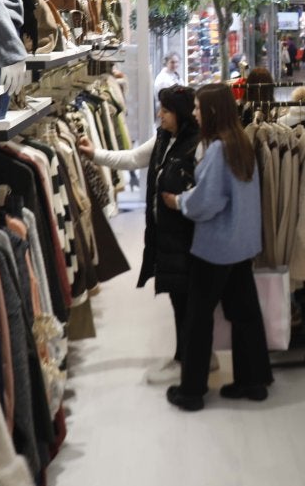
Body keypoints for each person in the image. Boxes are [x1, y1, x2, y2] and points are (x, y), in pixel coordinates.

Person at [77, 85, 210, 383]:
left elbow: (204, 193)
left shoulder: (198, 144)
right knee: (180, 298)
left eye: (166, 110)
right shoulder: (164, 138)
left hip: (188, 235)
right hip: (166, 233)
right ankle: (191, 356)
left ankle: (191, 360)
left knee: (187, 299)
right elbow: (133, 158)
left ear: (182, 113)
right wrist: (93, 154)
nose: (159, 114)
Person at [160, 84, 273, 410]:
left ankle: (191, 392)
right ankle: (254, 382)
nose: (194, 113)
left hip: (216, 246)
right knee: (246, 314)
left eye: (197, 107)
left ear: (210, 111)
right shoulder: (241, 142)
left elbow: (204, 202)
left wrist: (178, 200)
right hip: (241, 243)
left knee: (198, 318)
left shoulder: (217, 150)